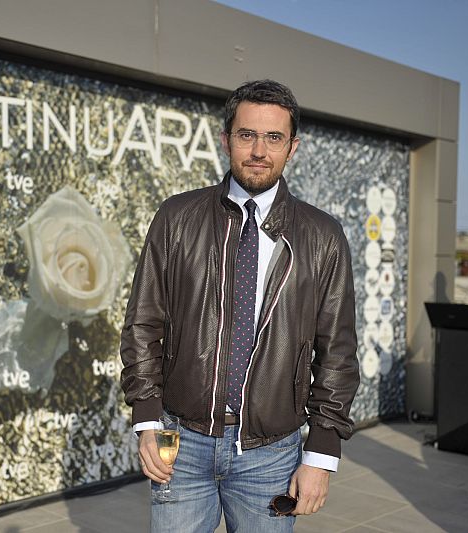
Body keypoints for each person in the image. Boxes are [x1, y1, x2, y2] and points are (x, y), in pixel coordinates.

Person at [119, 79, 359, 532]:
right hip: (181, 443)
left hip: (271, 454)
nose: (259, 150)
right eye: (247, 135)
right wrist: (146, 420)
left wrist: (322, 451)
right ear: (226, 139)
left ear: (293, 147)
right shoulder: (176, 218)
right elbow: (143, 325)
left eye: (274, 138)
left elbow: (338, 354)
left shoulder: (322, 236)